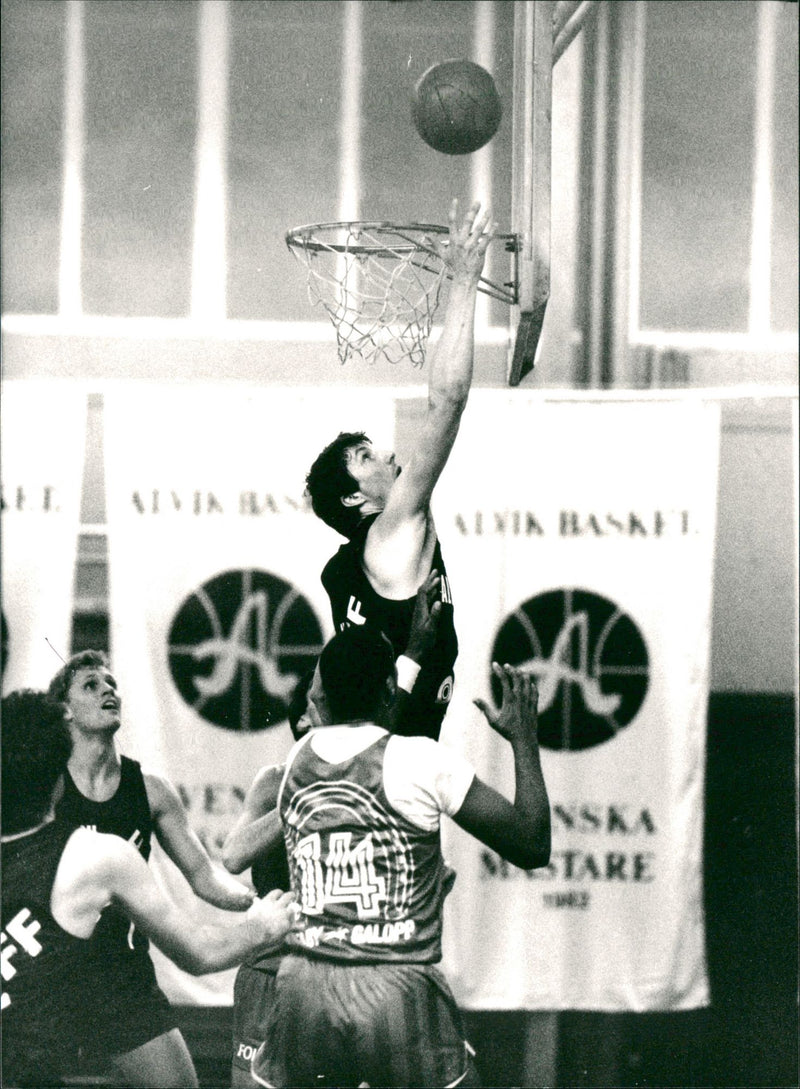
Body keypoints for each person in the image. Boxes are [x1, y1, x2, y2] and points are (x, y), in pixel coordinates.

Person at [250, 625, 551, 1088]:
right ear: (389, 689)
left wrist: (410, 653)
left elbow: (365, 734)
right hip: (396, 984)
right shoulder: (422, 760)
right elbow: (532, 845)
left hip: (305, 985)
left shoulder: (297, 760)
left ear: (319, 694)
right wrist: (523, 738)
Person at [0, 689, 301, 1089]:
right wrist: (264, 924)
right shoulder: (97, 855)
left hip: (110, 985)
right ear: (60, 778)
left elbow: (204, 876)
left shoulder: (144, 790)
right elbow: (200, 953)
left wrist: (245, 900)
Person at [223, 572, 445, 1089]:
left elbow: (390, 709)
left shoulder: (373, 765)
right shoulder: (277, 780)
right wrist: (312, 794)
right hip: (273, 964)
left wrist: (416, 647)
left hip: (341, 966)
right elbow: (233, 855)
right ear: (305, 720)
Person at [305, 199, 495, 741]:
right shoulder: (389, 533)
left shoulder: (362, 563)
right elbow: (448, 401)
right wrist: (463, 278)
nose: (389, 453)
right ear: (353, 500)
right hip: (387, 767)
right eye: (366, 457)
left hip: (364, 752)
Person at [46, 649, 254, 1088]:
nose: (108, 690)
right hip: (50, 976)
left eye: (112, 684)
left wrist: (252, 904)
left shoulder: (152, 791)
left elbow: (203, 876)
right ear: (65, 710)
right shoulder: (45, 789)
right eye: (91, 685)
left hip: (122, 981)